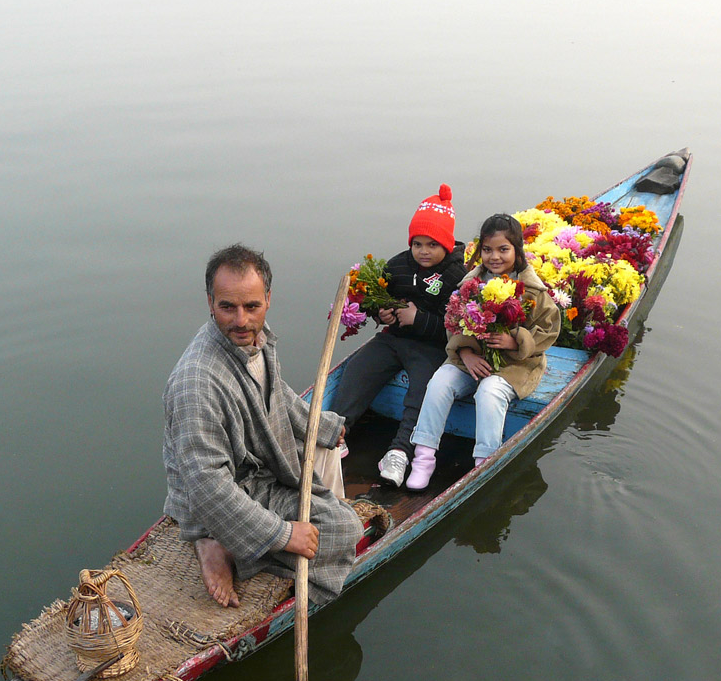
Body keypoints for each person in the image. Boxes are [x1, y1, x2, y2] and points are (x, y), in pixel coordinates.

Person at [163, 244, 363, 609]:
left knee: (328, 454)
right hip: (227, 492)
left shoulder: (257, 336)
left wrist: (322, 427)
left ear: (267, 299)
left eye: (251, 306)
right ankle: (213, 542)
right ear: (210, 302)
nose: (241, 320)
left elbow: (274, 393)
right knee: (346, 530)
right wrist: (285, 535)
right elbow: (209, 487)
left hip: (260, 460)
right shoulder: (196, 383)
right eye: (227, 307)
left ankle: (238, 542)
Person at [405, 213, 560, 490]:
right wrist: (465, 353)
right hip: (472, 358)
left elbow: (549, 329)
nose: (495, 257)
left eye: (503, 249)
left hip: (515, 364)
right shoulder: (469, 285)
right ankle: (423, 458)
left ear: (517, 250)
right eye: (487, 250)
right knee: (440, 383)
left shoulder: (532, 290)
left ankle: (483, 463)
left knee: (489, 392)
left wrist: (515, 341)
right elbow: (452, 324)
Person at [329, 184, 467, 487]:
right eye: (417, 244)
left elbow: (455, 327)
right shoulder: (398, 266)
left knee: (423, 390)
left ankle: (400, 450)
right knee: (359, 369)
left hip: (432, 348)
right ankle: (336, 433)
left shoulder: (457, 276)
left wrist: (418, 319)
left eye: (432, 244)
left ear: (445, 244)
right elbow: (381, 301)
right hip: (393, 340)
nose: (423, 251)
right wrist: (383, 314)